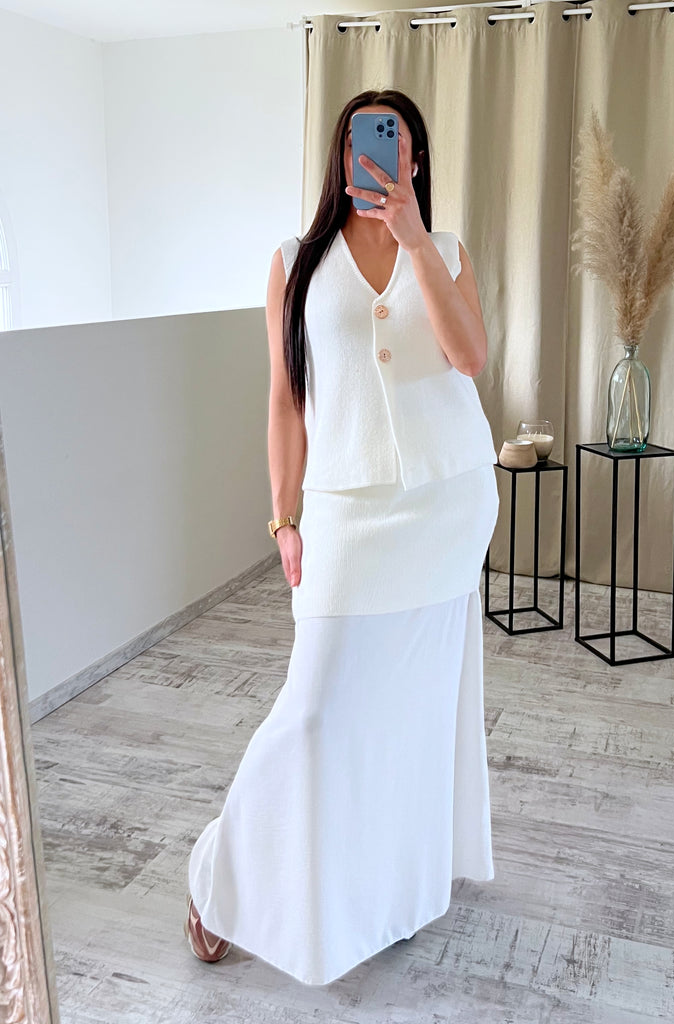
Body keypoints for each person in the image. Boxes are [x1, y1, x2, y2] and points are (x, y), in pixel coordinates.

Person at [184, 89, 500, 986]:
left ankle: (392, 890)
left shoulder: (445, 250)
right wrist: (283, 515)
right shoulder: (294, 262)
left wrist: (414, 240)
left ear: (415, 161)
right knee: (316, 707)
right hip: (345, 513)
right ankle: (218, 879)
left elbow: (470, 358)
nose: (382, 154)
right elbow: (287, 402)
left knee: (410, 710)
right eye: (366, 140)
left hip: (444, 505)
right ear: (342, 155)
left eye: (397, 142)